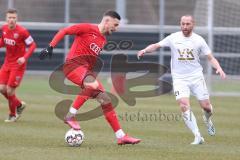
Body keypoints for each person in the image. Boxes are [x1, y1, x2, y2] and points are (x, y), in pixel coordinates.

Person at [39, 10, 141, 145]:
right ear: (107, 21)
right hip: (72, 66)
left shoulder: (103, 40)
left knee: (106, 100)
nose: (116, 29)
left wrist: (91, 77)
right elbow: (64, 31)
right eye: (115, 25)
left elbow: (90, 62)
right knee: (92, 85)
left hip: (85, 71)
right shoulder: (87, 28)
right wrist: (50, 46)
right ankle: (70, 115)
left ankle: (121, 136)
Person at [137, 15, 226, 145]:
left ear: (193, 25)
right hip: (179, 78)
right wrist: (144, 50)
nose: (185, 26)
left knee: (206, 107)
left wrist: (219, 68)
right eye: (183, 24)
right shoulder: (173, 38)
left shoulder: (199, 40)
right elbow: (156, 45)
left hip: (196, 77)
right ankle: (197, 136)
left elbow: (210, 57)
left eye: (187, 24)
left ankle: (207, 120)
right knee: (184, 105)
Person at [0, 8, 36, 122]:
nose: (11, 20)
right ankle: (19, 105)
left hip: (18, 65)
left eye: (14, 18)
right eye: (10, 17)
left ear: (17, 19)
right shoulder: (3, 29)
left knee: (10, 91)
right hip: (7, 63)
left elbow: (33, 45)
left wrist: (24, 58)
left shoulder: (22, 31)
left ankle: (12, 114)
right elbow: (3, 42)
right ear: (6, 18)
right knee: (1, 88)